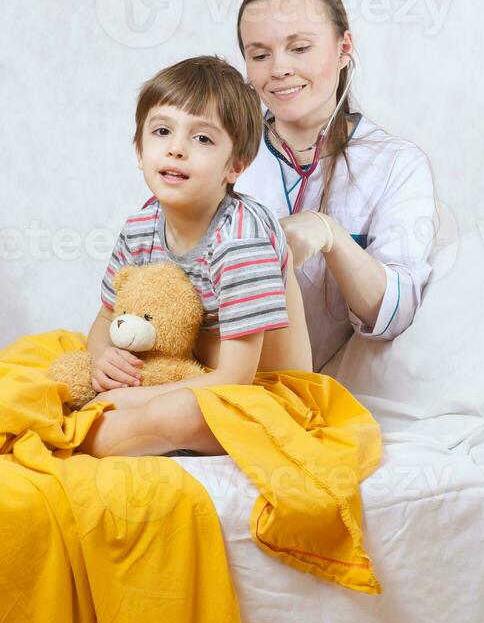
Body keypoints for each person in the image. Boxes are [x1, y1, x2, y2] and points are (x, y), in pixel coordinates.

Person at [77, 55, 312, 458]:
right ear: (139, 150)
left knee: (181, 411)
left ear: (235, 165)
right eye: (162, 131)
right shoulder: (140, 227)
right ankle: (118, 423)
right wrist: (105, 362)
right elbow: (103, 321)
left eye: (202, 139)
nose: (176, 149)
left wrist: (130, 400)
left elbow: (236, 377)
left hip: (265, 393)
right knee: (58, 358)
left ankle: (93, 437)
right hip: (188, 372)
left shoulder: (241, 238)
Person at [235, 0, 436, 372]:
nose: (279, 69)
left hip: (317, 393)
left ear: (344, 48)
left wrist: (329, 234)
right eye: (260, 55)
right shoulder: (221, 152)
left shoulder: (395, 163)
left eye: (300, 48)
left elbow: (395, 315)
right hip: (218, 378)